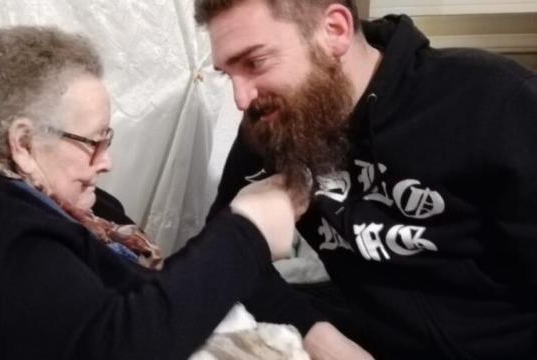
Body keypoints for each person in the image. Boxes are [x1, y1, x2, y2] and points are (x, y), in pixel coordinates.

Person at [0, 25, 308, 360]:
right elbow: (121, 346)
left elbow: (151, 290)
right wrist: (245, 235)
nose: (106, 161)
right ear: (23, 144)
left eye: (107, 139)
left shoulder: (61, 202)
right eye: (93, 142)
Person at [194, 0, 537, 358]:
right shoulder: (272, 126)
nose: (240, 98)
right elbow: (226, 254)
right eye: (227, 73)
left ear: (335, 30)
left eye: (255, 62)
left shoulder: (498, 104)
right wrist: (317, 335)